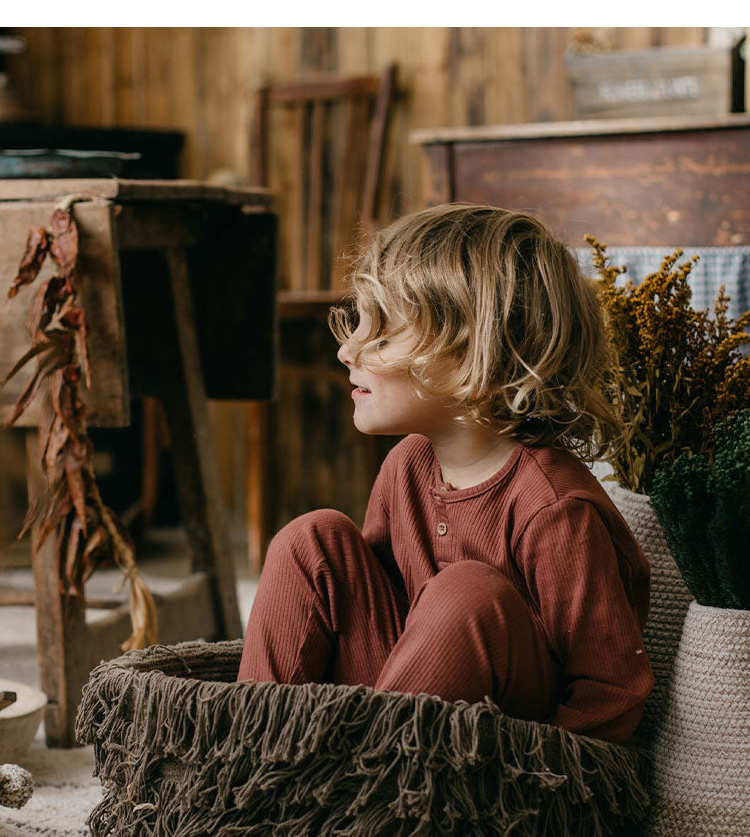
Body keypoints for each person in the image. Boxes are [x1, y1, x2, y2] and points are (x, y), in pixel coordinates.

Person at [236, 203, 654, 744]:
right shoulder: (407, 464)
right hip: (401, 717)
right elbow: (372, 624)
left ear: (478, 353)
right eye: (355, 326)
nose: (344, 351)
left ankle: (360, 795)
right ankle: (245, 761)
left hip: (489, 760)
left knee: (467, 593)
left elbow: (611, 691)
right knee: (310, 539)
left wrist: (537, 790)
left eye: (380, 336)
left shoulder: (554, 509)